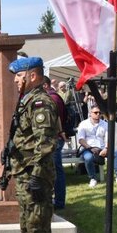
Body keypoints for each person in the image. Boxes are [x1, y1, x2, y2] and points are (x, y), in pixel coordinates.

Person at [5, 56, 60, 233]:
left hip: (35, 175)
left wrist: (37, 176)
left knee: (38, 224)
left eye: (19, 75)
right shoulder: (28, 101)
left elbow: (45, 142)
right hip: (25, 172)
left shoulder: (41, 103)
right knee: (28, 224)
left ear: (32, 75)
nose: (16, 80)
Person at [76, 107, 117, 187]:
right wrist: (90, 148)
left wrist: (106, 148)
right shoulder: (83, 124)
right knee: (88, 158)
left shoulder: (105, 124)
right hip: (88, 148)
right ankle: (93, 178)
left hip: (102, 148)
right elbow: (81, 139)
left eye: (99, 112)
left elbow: (109, 138)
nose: (98, 114)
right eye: (95, 112)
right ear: (90, 113)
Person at [43, 76, 67, 210]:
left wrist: (61, 132)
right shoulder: (51, 97)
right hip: (54, 137)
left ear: (45, 86)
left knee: (56, 171)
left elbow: (56, 118)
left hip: (54, 139)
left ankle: (59, 202)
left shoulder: (53, 98)